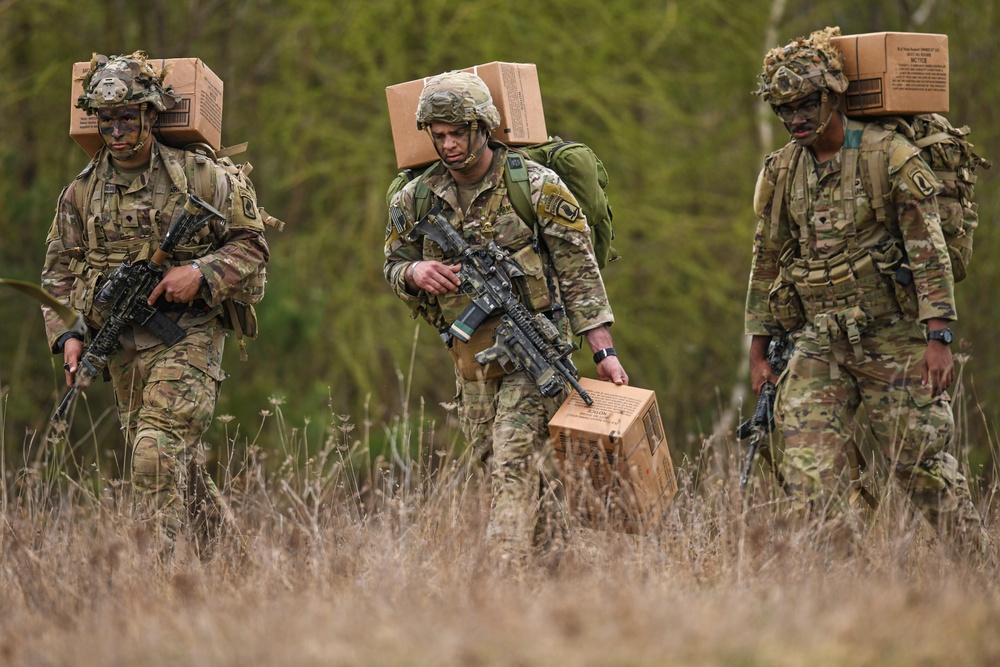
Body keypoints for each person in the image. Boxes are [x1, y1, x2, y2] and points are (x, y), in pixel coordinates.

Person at [744, 27, 990, 557]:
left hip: (893, 340)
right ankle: (839, 593)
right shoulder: (783, 169)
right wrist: (759, 347)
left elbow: (929, 251)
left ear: (832, 97)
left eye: (806, 104)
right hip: (817, 344)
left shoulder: (890, 157)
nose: (795, 119)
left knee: (922, 470)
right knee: (806, 475)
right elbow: (766, 258)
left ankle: (981, 574)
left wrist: (939, 336)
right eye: (784, 109)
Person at [384, 71, 628, 564]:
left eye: (459, 133)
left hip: (534, 354)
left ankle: (505, 576)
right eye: (440, 135)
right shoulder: (416, 198)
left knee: (513, 466)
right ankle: (553, 567)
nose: (449, 145)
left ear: (484, 128)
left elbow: (579, 270)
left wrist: (603, 351)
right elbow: (391, 262)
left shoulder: (535, 186)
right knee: (498, 464)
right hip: (471, 361)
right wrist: (415, 270)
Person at [41, 51, 269, 559]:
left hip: (187, 332)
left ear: (150, 115)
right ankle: (234, 566)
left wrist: (200, 272)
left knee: (154, 457)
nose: (116, 132)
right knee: (171, 465)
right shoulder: (79, 194)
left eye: (127, 119)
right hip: (120, 341)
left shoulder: (202, 178)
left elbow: (252, 246)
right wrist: (69, 335)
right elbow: (56, 272)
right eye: (107, 120)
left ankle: (158, 582)